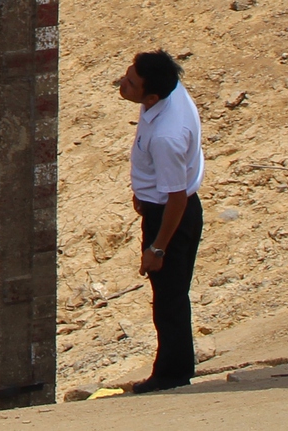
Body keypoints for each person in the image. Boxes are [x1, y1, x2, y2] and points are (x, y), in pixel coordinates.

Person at [118, 47, 205, 394]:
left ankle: (172, 374)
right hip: (161, 203)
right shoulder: (168, 94)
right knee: (169, 295)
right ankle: (174, 367)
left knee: (169, 298)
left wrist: (158, 247)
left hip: (172, 217)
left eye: (131, 84)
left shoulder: (167, 136)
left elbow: (177, 197)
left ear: (152, 96)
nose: (123, 85)